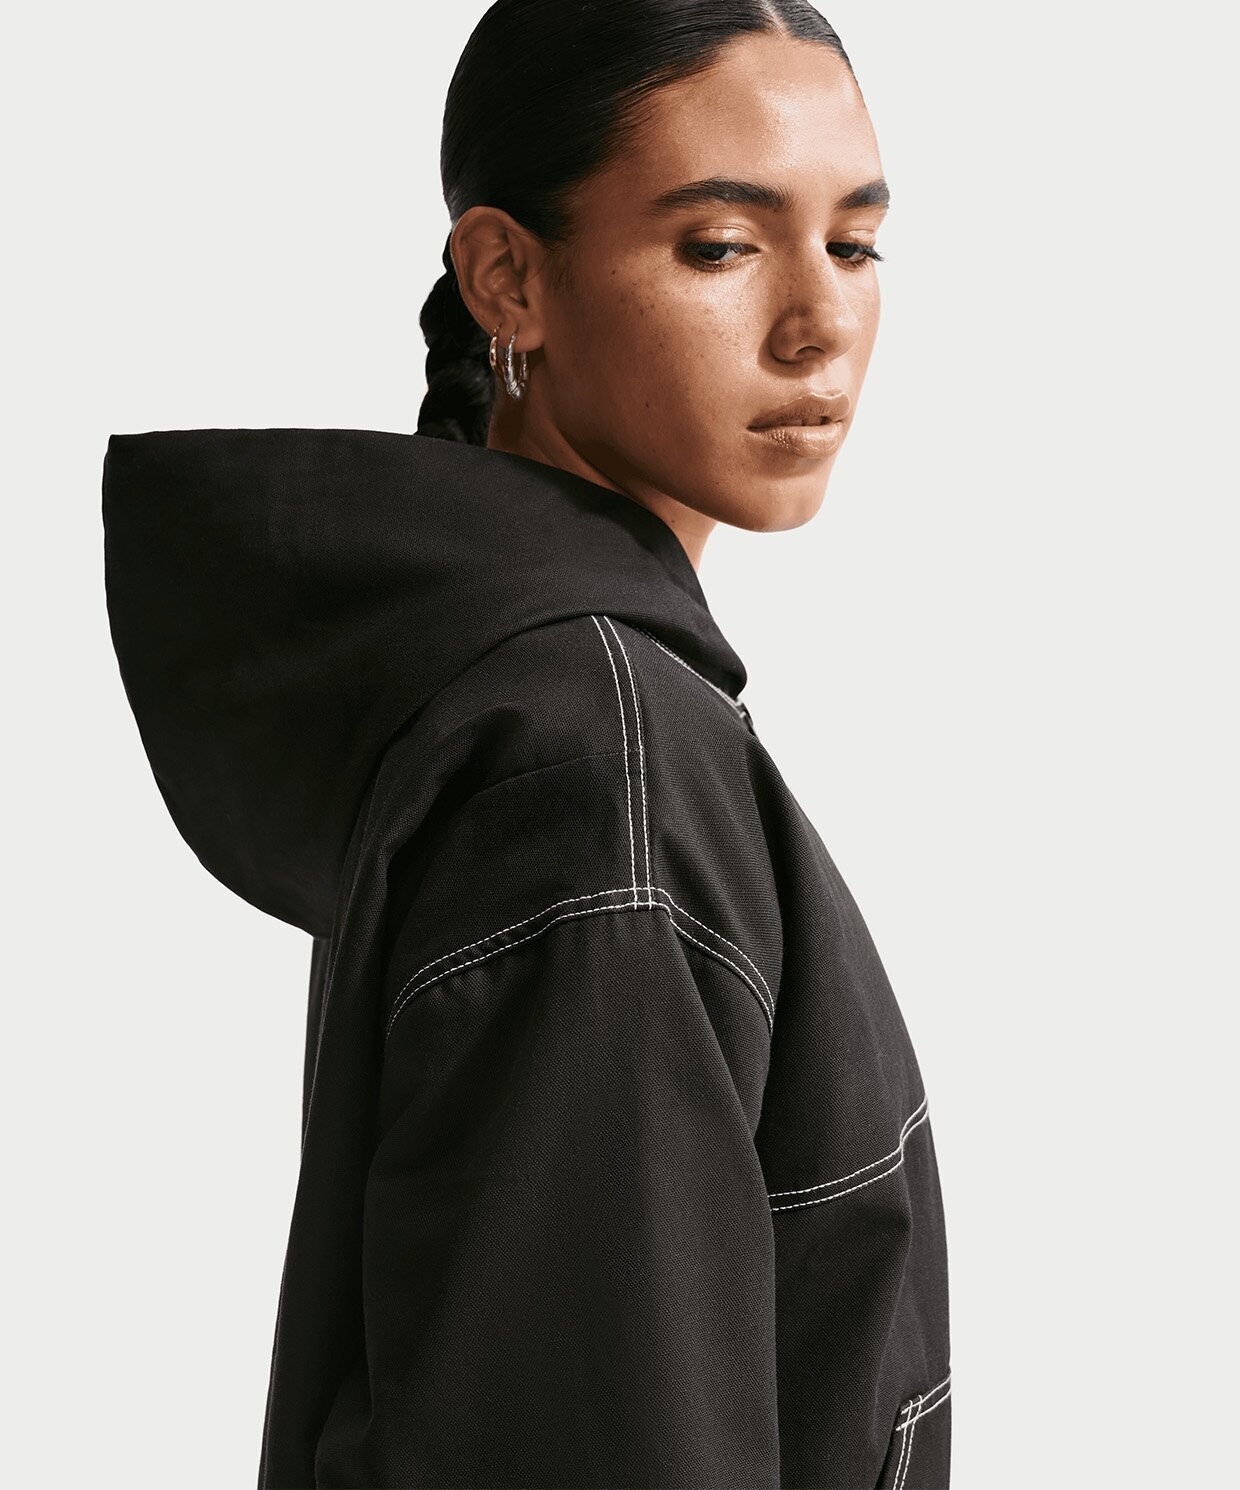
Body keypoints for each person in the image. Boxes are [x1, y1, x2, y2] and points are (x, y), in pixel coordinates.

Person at [101, 2, 951, 1485]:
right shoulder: (593, 758)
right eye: (721, 247)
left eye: (856, 243)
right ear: (510, 278)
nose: (818, 320)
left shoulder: (537, 702)